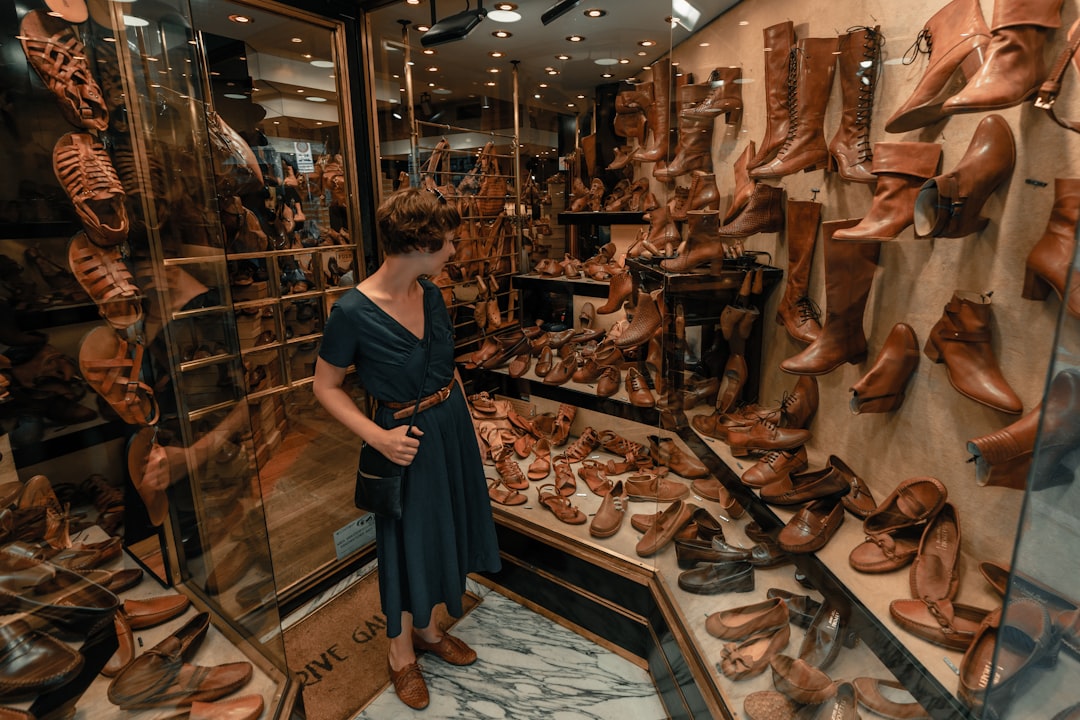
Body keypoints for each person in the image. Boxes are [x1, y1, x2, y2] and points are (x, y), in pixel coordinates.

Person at [313, 186, 501, 709]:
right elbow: (324, 387)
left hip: (450, 428)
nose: (455, 251)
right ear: (422, 243)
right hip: (402, 439)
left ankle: (429, 628)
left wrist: (474, 432)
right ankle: (400, 653)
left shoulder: (433, 294)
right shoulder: (351, 311)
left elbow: (450, 369)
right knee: (404, 544)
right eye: (450, 243)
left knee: (447, 530)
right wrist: (377, 436)